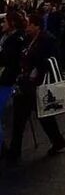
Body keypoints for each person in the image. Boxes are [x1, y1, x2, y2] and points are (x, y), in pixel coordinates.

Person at [8, 13, 65, 161]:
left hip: (38, 84)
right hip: (25, 83)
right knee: (20, 118)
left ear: (37, 26)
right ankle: (15, 151)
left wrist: (36, 67)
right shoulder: (27, 39)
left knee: (44, 116)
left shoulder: (48, 40)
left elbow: (50, 61)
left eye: (30, 25)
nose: (27, 27)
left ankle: (58, 141)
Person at [0, 11, 27, 155]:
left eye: (5, 22)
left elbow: (9, 60)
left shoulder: (16, 39)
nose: (2, 24)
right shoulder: (8, 37)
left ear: (12, 23)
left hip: (7, 79)